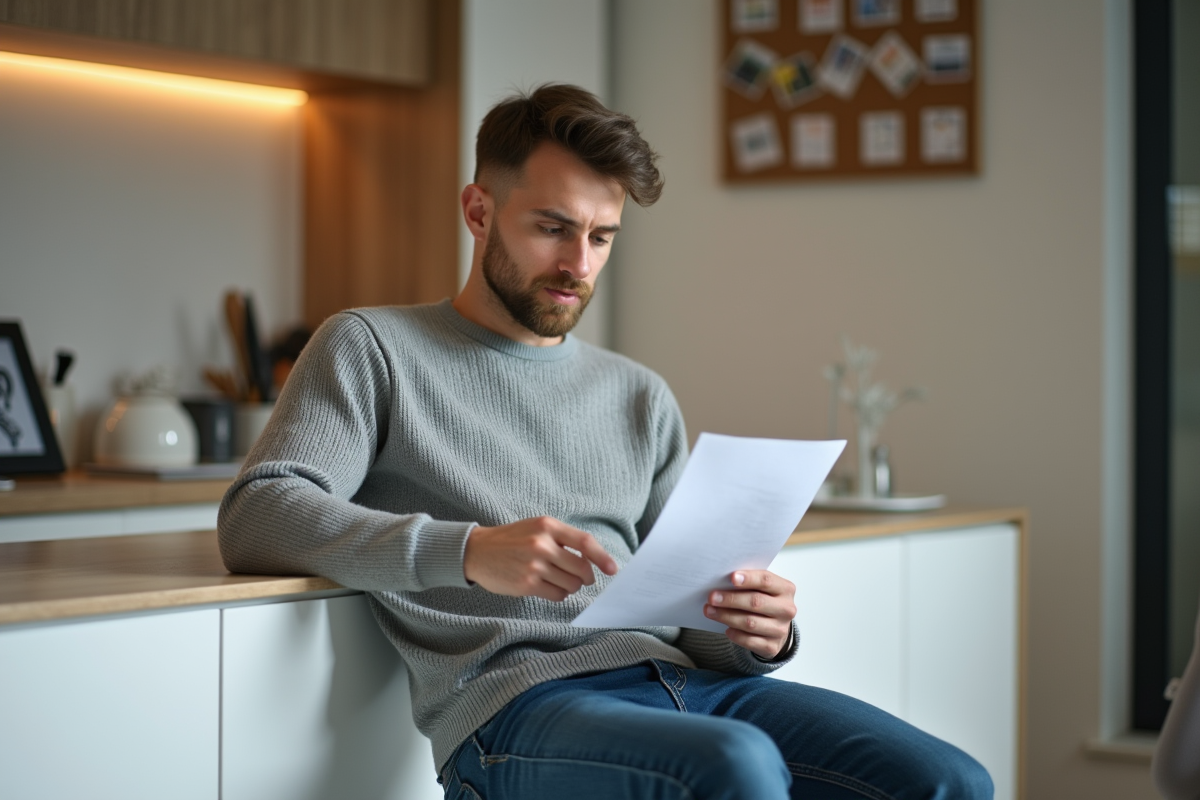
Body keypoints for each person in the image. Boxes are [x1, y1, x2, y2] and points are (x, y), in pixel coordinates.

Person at [218, 83, 992, 800]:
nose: (578, 265)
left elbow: (688, 612)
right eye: (552, 228)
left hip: (685, 681)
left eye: (601, 236)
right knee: (736, 766)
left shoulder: (639, 395)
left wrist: (754, 631)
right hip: (516, 707)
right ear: (479, 209)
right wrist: (466, 551)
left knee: (951, 780)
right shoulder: (372, 347)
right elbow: (257, 514)